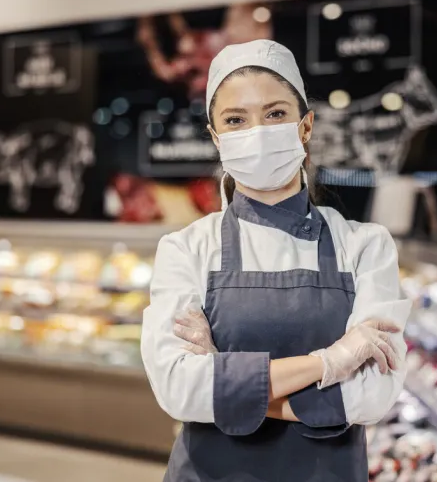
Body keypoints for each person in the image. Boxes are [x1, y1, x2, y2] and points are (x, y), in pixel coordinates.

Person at [141, 39, 410, 482]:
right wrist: (330, 362)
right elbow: (178, 389)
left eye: (275, 114)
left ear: (305, 126)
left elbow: (371, 397)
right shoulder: (186, 248)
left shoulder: (365, 246)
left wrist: (223, 380)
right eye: (235, 120)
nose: (257, 131)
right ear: (215, 137)